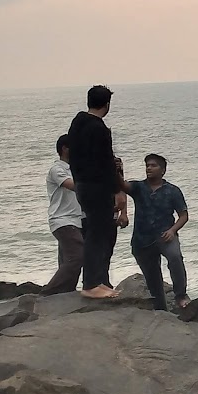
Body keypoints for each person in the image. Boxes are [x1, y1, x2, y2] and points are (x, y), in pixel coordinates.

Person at [66, 85, 122, 296]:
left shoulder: (76, 124)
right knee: (97, 235)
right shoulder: (99, 129)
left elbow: (74, 158)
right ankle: (90, 285)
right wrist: (117, 190)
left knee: (98, 232)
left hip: (82, 185)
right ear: (107, 104)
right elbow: (106, 162)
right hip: (97, 187)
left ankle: (99, 281)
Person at [119, 153, 190, 311]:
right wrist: (117, 171)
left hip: (165, 236)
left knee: (175, 257)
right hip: (142, 240)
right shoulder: (138, 187)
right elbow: (121, 186)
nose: (149, 168)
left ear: (163, 170)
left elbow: (184, 216)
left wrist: (172, 230)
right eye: (147, 165)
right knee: (152, 277)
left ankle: (180, 295)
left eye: (153, 165)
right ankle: (160, 309)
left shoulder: (172, 191)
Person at [43, 135, 85, 294]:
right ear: (65, 148)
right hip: (62, 220)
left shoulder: (74, 169)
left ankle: (66, 293)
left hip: (75, 220)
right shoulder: (57, 169)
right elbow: (72, 186)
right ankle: (48, 293)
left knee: (67, 260)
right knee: (77, 256)